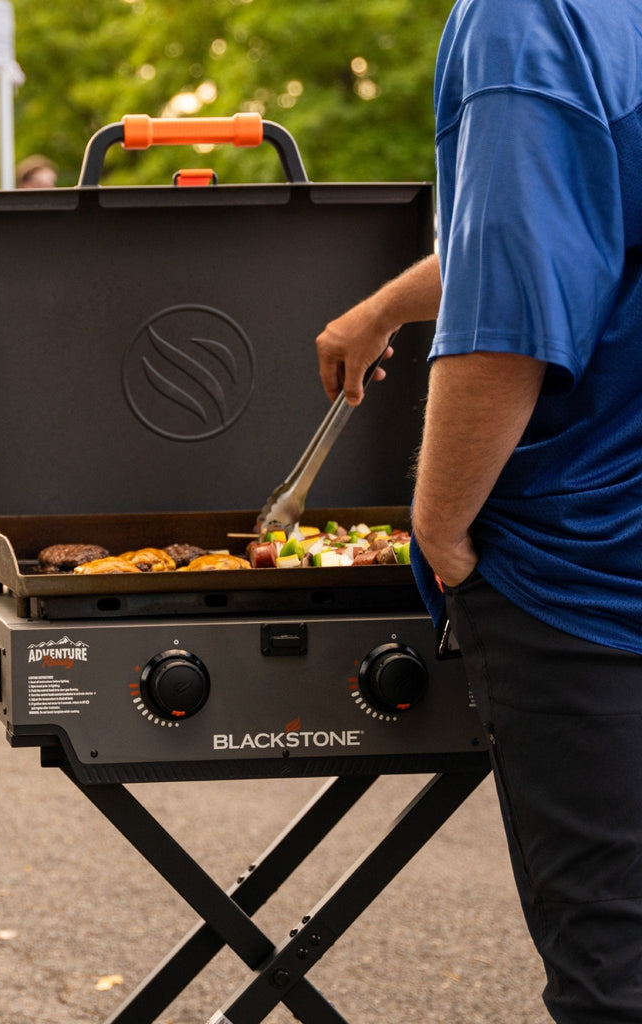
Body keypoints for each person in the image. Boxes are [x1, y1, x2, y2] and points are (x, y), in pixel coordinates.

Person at [315, 3, 642, 1020]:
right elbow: (567, 230)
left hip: (590, 573)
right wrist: (383, 309)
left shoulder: (528, 14)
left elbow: (514, 305)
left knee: (619, 966)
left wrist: (441, 526)